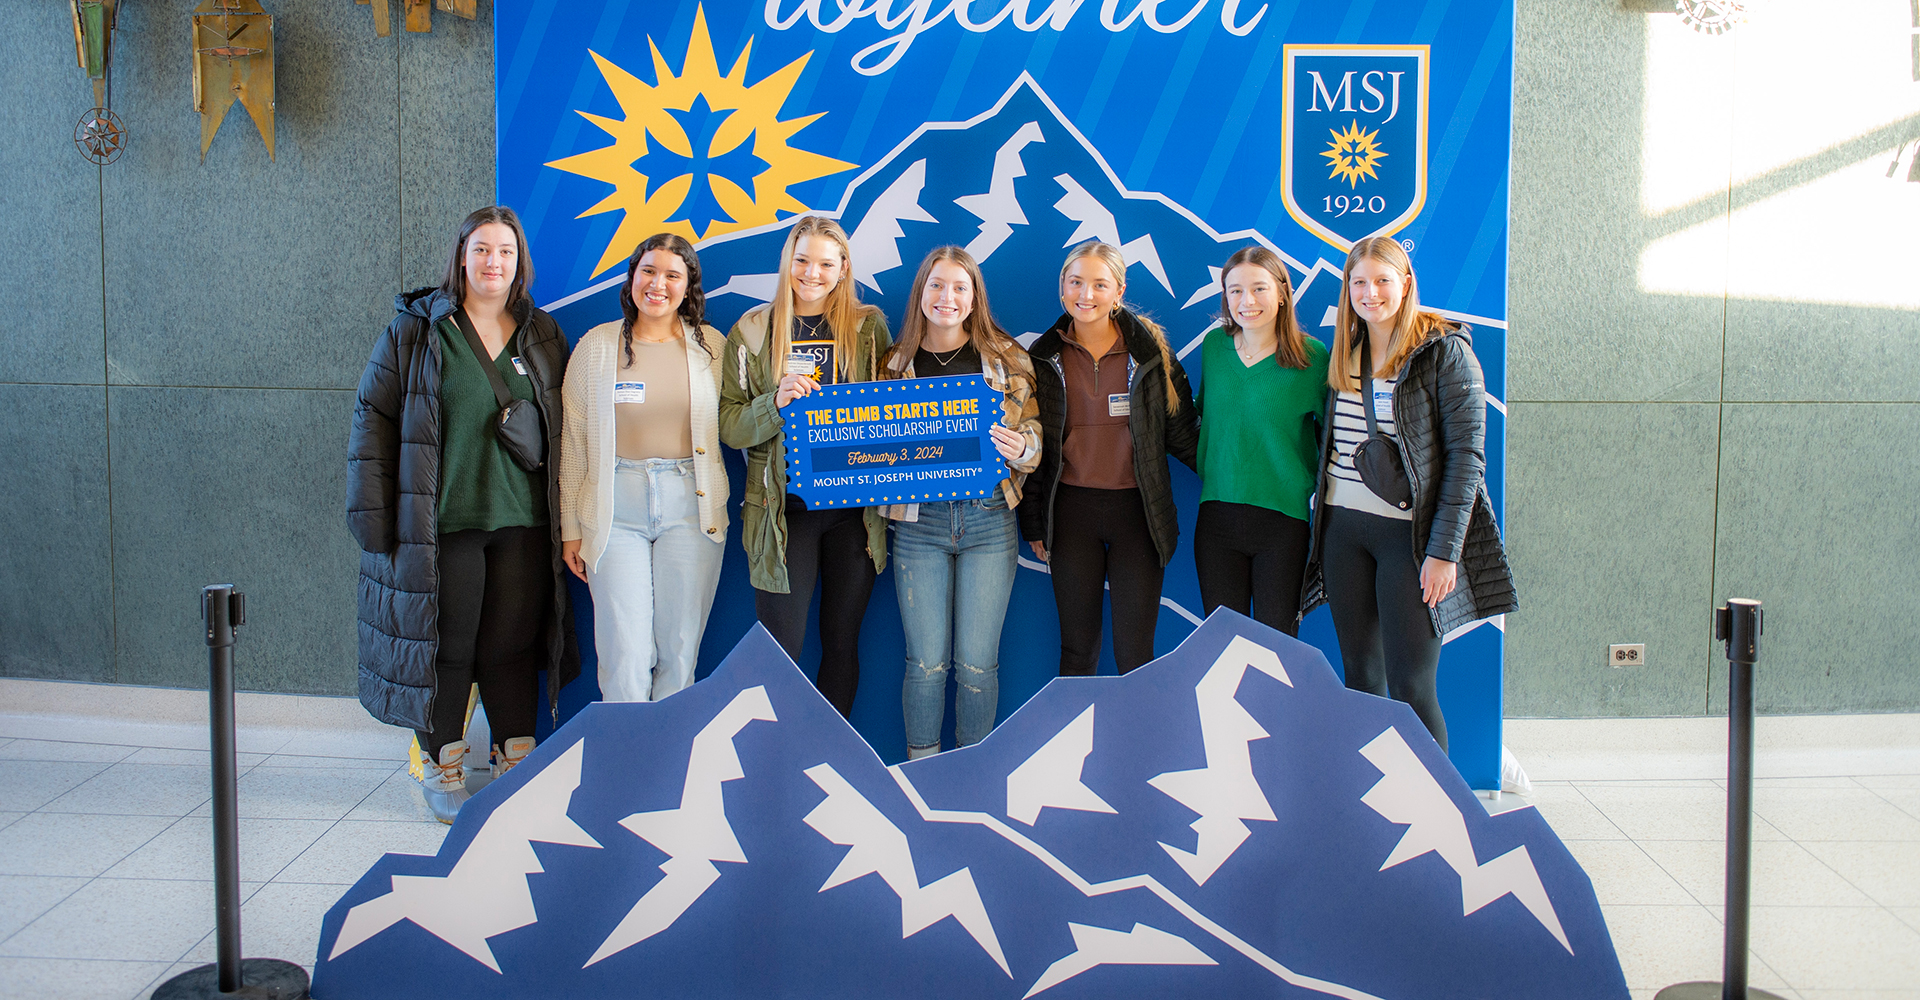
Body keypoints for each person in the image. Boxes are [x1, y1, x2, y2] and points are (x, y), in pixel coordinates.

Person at [347, 205, 578, 823]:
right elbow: (373, 419)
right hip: (444, 522)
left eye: (504, 251)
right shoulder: (417, 331)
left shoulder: (542, 333)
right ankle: (442, 760)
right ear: (461, 256)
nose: (492, 263)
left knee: (510, 644)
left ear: (519, 262)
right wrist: (371, 514)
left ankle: (514, 756)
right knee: (447, 645)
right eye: (481, 250)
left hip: (523, 524)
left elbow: (567, 431)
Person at [1300, 236, 1518, 750]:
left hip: (1411, 541)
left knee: (1411, 687)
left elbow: (1467, 461)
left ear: (1406, 284)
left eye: (1382, 280)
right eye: (1358, 282)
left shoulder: (1445, 353)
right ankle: (1377, 803)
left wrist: (1444, 552)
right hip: (1341, 532)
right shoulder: (1344, 354)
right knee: (1360, 678)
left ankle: (1435, 811)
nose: (1369, 292)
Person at [719, 216, 891, 717]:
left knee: (841, 643)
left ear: (842, 270)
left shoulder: (867, 328)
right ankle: (773, 759)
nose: (811, 273)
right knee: (779, 650)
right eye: (802, 260)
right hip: (781, 513)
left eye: (825, 263)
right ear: (787, 262)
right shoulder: (752, 330)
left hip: (852, 512)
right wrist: (774, 403)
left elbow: (896, 411)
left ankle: (827, 757)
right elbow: (729, 426)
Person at [878, 247, 1041, 758]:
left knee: (977, 662)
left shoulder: (1008, 358)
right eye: (936, 286)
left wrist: (1024, 448)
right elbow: (871, 450)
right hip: (917, 523)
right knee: (925, 662)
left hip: (989, 520)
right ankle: (922, 770)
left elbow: (1035, 435)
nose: (946, 297)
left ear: (974, 299)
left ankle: (973, 774)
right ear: (921, 292)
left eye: (958, 288)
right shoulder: (893, 364)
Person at [559, 234, 728, 704]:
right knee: (625, 653)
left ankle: (668, 770)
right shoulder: (595, 346)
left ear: (688, 285)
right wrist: (571, 527)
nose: (658, 284)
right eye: (648, 271)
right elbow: (573, 442)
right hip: (615, 510)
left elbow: (736, 418)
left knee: (679, 652)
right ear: (632, 278)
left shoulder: (711, 346)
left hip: (692, 509)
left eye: (673, 275)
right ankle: (628, 770)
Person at [1019, 240, 1198, 676]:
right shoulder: (1040, 359)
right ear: (1062, 287)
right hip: (1071, 515)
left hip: (1138, 515)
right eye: (1076, 282)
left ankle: (1136, 746)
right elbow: (1037, 450)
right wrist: (1034, 520)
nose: (1086, 294)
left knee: (1135, 654)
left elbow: (1186, 436)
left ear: (1119, 290)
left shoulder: (1152, 357)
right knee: (1077, 652)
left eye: (1100, 284)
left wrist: (1238, 475)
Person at [1193, 246, 1329, 635]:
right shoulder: (1214, 347)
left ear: (1282, 292)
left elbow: (1333, 438)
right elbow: (1207, 418)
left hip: (1283, 522)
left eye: (1258, 288)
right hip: (1217, 516)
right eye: (1234, 290)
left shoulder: (1312, 357)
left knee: (1277, 647)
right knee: (1221, 646)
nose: (1246, 301)